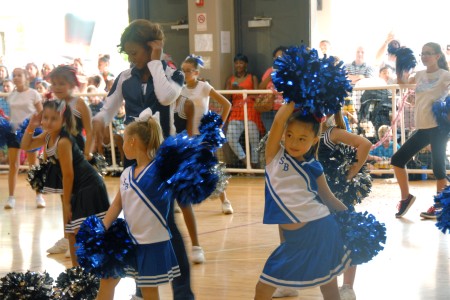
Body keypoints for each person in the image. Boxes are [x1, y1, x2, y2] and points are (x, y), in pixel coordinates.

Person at [92, 19, 193, 300]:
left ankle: (183, 294)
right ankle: (142, 288)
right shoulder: (124, 77)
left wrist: (156, 62)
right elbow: (108, 108)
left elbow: (165, 96)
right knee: (136, 221)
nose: (130, 58)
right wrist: (99, 120)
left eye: (135, 51)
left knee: (166, 226)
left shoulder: (173, 74)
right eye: (127, 53)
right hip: (133, 156)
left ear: (152, 47)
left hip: (163, 162)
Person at [254, 101, 349, 300]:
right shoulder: (274, 156)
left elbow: (329, 199)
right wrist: (292, 100)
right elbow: (279, 120)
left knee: (329, 288)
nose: (293, 143)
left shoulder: (314, 167)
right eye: (289, 136)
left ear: (314, 141)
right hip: (294, 242)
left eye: (301, 138)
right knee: (263, 288)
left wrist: (351, 219)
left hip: (321, 231)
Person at [96, 114, 179, 300]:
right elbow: (118, 203)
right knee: (108, 279)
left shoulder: (160, 171)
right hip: (128, 241)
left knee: (149, 292)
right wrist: (101, 228)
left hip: (151, 243)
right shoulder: (126, 173)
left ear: (132, 141)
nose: (122, 144)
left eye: (124, 139)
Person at [20, 100, 110, 267]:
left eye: (54, 118)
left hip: (88, 185)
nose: (48, 122)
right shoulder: (48, 136)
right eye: (45, 118)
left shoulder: (63, 141)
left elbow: (68, 175)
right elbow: (27, 145)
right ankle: (76, 273)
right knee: (72, 233)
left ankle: (96, 270)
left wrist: (67, 203)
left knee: (82, 231)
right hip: (79, 186)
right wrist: (31, 126)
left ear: (63, 120)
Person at [175, 54, 232, 263]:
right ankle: (178, 199)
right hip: (186, 137)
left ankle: (224, 199)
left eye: (189, 70)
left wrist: (216, 126)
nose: (185, 73)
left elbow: (226, 105)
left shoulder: (204, 87)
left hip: (204, 136)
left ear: (197, 73)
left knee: (211, 169)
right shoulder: (178, 89)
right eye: (183, 70)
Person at [391, 42, 450, 219]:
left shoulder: (445, 75)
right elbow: (402, 84)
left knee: (438, 169)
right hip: (423, 128)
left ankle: (440, 207)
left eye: (428, 53)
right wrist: (400, 65)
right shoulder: (419, 75)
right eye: (422, 53)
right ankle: (406, 198)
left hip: (439, 128)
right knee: (397, 159)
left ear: (438, 56)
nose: (424, 56)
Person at [4, 68, 45, 209]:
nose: (16, 78)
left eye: (19, 75)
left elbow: (41, 113)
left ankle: (39, 196)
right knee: (13, 166)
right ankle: (11, 198)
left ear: (26, 77)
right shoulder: (12, 95)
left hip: (29, 132)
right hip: (13, 132)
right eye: (14, 75)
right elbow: (13, 114)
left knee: (33, 165)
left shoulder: (34, 93)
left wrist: (33, 127)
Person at [224, 53, 263, 169]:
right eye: (236, 63)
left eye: (241, 62)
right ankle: (247, 163)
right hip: (236, 111)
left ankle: (255, 166)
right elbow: (226, 98)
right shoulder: (230, 79)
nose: (238, 65)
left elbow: (257, 95)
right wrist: (231, 89)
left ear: (246, 64)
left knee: (254, 140)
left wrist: (242, 90)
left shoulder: (253, 77)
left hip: (251, 110)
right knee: (230, 137)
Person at [258, 46, 287, 132]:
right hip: (268, 110)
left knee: (282, 136)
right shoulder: (269, 71)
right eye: (277, 57)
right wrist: (271, 76)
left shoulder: (291, 71)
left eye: (282, 57)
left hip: (284, 109)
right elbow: (260, 88)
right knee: (271, 135)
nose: (279, 59)